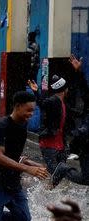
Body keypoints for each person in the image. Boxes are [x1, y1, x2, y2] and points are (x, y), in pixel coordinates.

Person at [0, 91, 50, 221]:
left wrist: (31, 164)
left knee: (23, 218)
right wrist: (26, 169)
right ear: (17, 106)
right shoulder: (0, 125)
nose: (31, 114)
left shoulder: (23, 125)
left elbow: (15, 154)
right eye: (28, 110)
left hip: (13, 184)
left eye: (33, 110)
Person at [51, 55, 89, 187]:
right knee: (86, 178)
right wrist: (78, 72)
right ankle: (63, 169)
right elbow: (84, 90)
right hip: (86, 142)